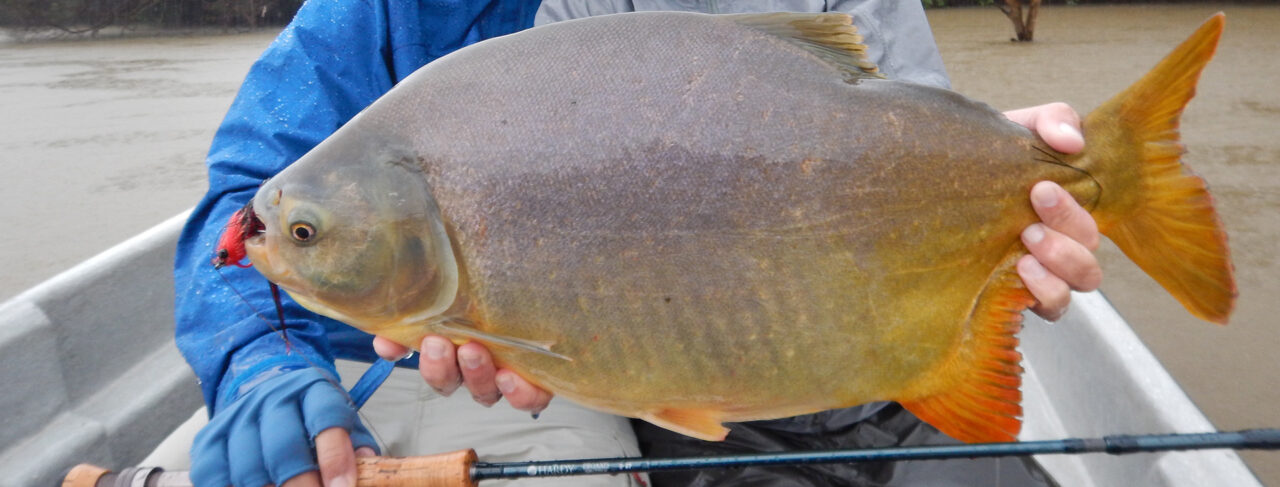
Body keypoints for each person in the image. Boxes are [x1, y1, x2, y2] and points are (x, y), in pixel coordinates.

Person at [172, 1, 1102, 486]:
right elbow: (243, 207)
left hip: (822, 343)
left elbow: (901, 115)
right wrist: (260, 360)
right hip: (586, 368)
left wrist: (1002, 176)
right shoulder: (372, 18)